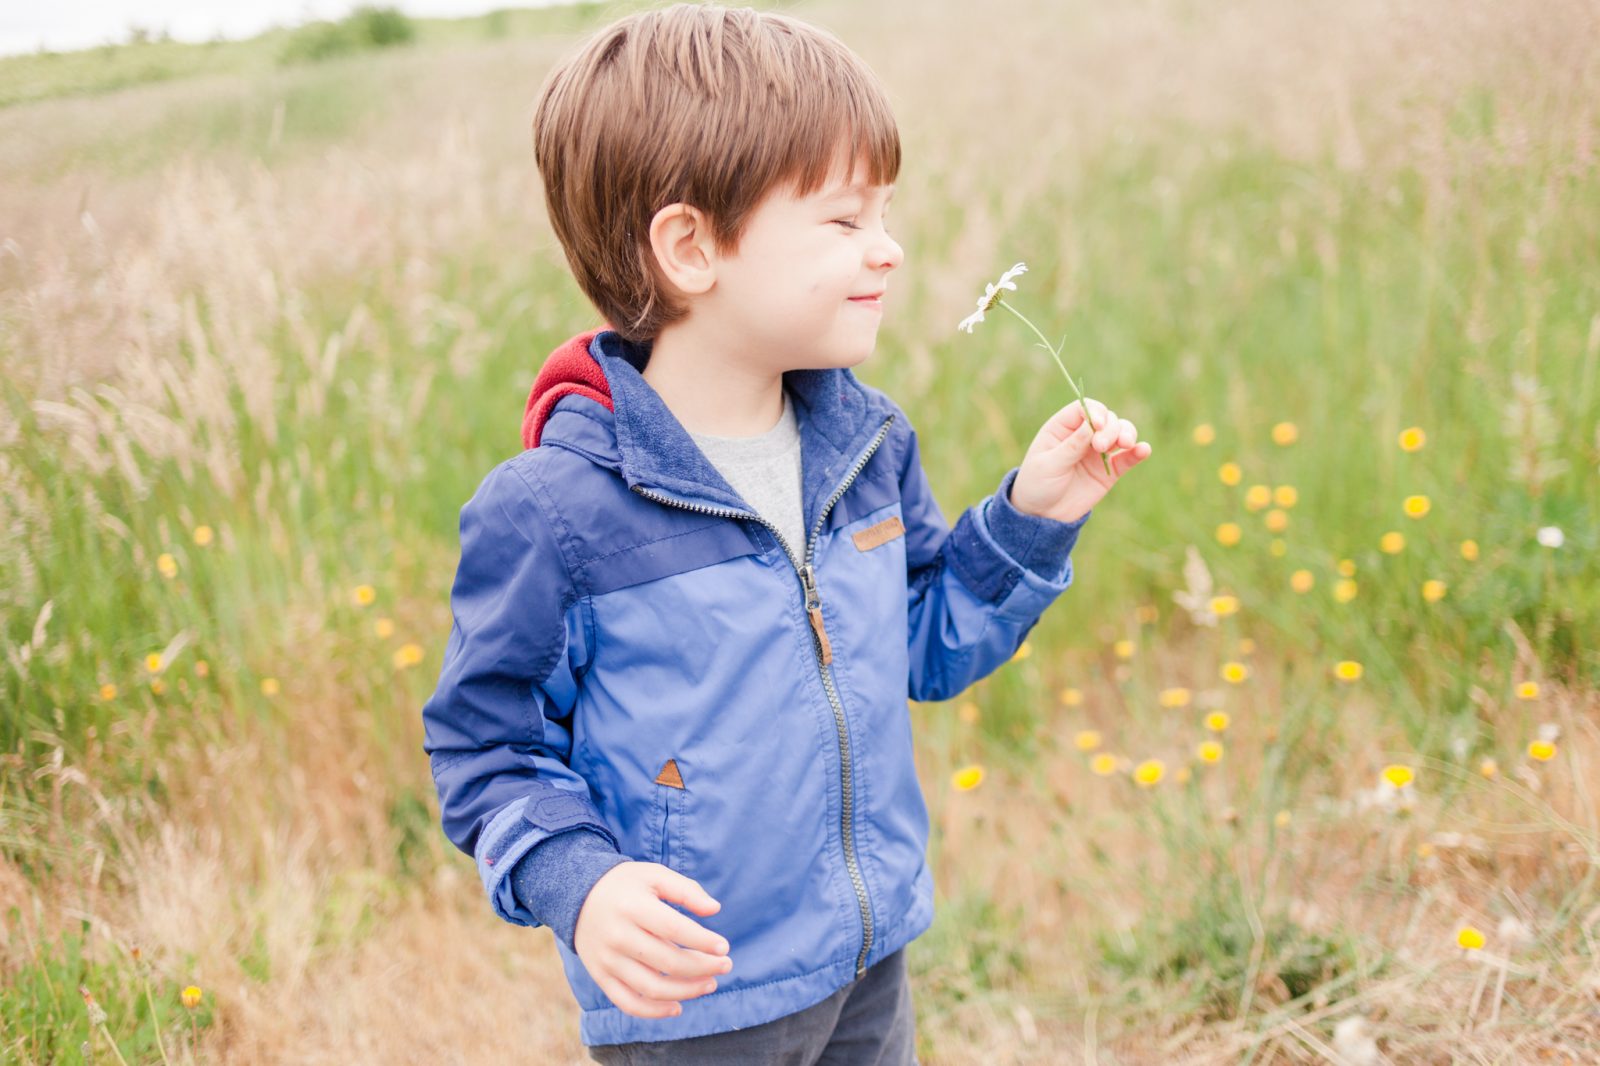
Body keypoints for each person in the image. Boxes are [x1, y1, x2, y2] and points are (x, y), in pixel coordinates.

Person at [420, 4, 1152, 1062]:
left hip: (867, 954)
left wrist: (1030, 519)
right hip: (699, 1002)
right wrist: (584, 884)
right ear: (689, 247)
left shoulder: (862, 443)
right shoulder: (555, 512)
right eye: (845, 220)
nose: (888, 250)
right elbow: (488, 749)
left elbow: (925, 645)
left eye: (885, 214)